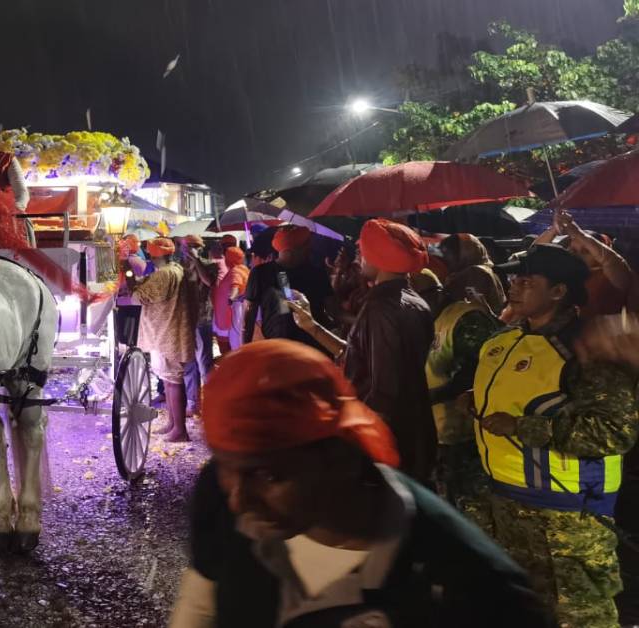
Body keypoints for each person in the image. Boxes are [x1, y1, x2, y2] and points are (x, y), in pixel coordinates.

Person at [170, 340, 555, 628]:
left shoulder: (478, 591)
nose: (239, 500)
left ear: (342, 458)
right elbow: (201, 605)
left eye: (271, 475)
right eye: (225, 465)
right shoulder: (220, 491)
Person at [470, 243, 636, 628]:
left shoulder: (587, 350)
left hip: (568, 516)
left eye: (528, 279)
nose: (514, 285)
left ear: (559, 292)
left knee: (579, 618)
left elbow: (613, 432)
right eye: (514, 277)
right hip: (505, 505)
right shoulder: (502, 342)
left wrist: (521, 426)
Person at [288, 219, 436, 484]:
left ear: (378, 258)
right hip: (415, 433)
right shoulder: (415, 301)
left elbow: (384, 391)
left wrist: (359, 447)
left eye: (362, 252)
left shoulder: (382, 308)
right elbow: (358, 355)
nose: (358, 260)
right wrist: (312, 327)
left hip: (390, 443)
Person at [410, 269, 501, 518]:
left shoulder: (465, 318)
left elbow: (476, 372)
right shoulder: (426, 320)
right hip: (436, 433)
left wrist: (427, 398)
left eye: (417, 296)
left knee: (469, 512)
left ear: (438, 293)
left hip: (464, 437)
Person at [128, 238, 196, 442]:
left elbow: (138, 297)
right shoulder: (176, 269)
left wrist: (129, 277)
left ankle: (180, 430)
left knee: (173, 381)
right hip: (170, 331)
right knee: (168, 380)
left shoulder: (166, 274)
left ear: (153, 254)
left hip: (166, 333)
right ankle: (173, 424)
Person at [243, 225, 333, 351]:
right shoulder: (261, 273)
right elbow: (249, 313)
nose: (310, 248)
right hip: (280, 351)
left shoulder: (317, 273)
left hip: (314, 350)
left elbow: (332, 310)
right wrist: (245, 348)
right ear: (294, 249)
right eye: (307, 244)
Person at [180, 234, 216, 415]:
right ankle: (192, 403)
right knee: (188, 363)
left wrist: (196, 260)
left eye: (192, 246)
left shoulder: (209, 264)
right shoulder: (179, 267)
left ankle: (211, 402)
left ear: (199, 247)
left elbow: (209, 281)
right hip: (184, 320)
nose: (188, 249)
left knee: (204, 363)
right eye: (186, 246)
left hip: (202, 318)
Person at [439, 233, 507, 314]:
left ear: (465, 253)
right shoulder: (476, 271)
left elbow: (472, 307)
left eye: (447, 253)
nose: (444, 258)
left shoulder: (476, 273)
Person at [212, 247, 249, 355]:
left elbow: (235, 287)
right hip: (231, 318)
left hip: (229, 320)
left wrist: (231, 299)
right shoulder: (243, 269)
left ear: (229, 259)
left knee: (230, 352)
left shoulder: (235, 271)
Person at [113, 234, 147, 348]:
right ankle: (132, 348)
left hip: (119, 301)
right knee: (134, 330)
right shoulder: (137, 261)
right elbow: (145, 279)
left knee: (121, 329)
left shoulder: (116, 260)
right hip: (134, 302)